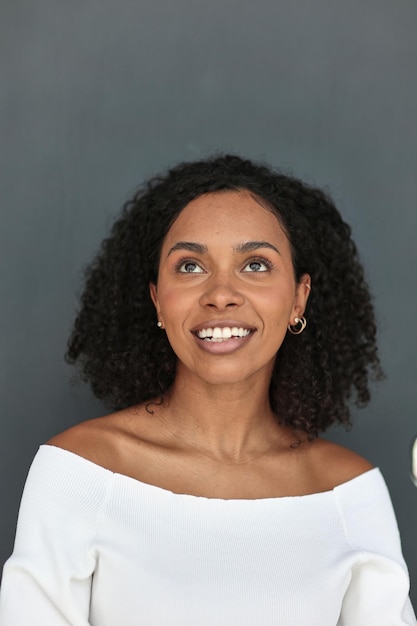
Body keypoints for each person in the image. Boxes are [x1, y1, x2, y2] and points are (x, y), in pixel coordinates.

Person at [0, 154, 415, 625]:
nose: (221, 292)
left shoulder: (349, 494)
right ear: (158, 299)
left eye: (256, 264)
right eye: (191, 266)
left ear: (299, 297)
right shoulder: (78, 475)